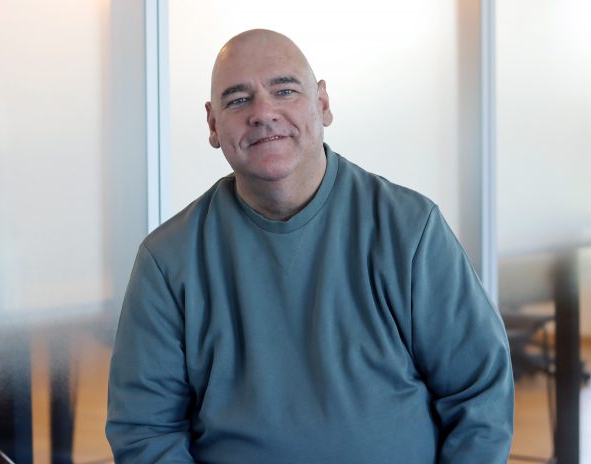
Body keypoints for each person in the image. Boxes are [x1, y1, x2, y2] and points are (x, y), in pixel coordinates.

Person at [106, 29, 514, 463]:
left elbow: (480, 395)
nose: (263, 113)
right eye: (238, 100)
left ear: (322, 103)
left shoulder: (410, 230)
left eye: (284, 90)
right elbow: (146, 431)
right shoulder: (167, 261)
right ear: (212, 124)